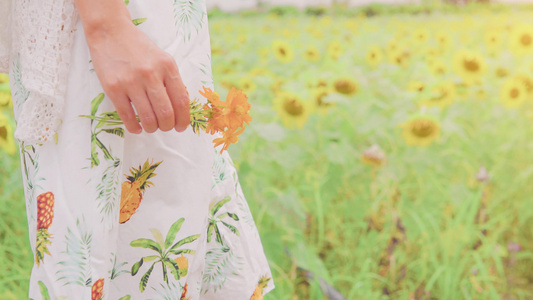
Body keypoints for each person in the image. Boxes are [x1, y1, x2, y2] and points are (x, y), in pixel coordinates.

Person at [5, 0, 274, 298]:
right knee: (100, 250)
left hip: (148, 23)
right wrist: (107, 25)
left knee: (185, 211)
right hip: (118, 22)